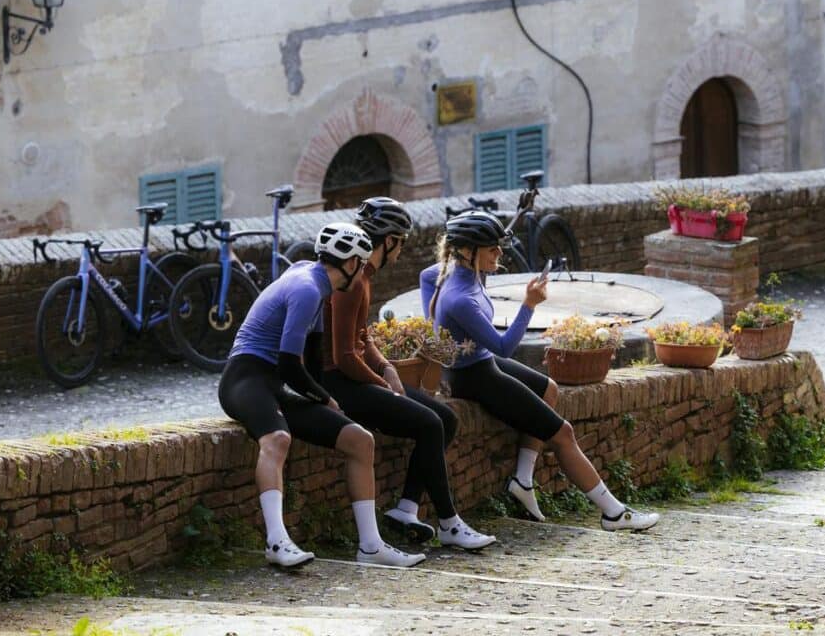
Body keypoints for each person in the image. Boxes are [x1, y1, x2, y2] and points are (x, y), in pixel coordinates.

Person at [421, 210, 659, 532]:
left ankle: (522, 479)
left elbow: (426, 277)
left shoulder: (458, 271)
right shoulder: (460, 298)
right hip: (473, 377)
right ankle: (613, 513)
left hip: (478, 363)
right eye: (493, 249)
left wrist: (439, 333)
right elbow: (503, 347)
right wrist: (529, 305)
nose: (500, 254)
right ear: (468, 251)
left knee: (549, 389)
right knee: (563, 433)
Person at [218, 222, 426, 568]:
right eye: (360, 266)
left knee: (360, 439)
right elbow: (288, 364)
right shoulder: (306, 289)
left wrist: (324, 403)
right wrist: (323, 397)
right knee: (278, 439)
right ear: (349, 265)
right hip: (246, 377)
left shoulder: (317, 283)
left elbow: (312, 358)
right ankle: (276, 542)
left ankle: (371, 547)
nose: (361, 274)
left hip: (276, 383)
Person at [321, 198, 495, 550]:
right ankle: (449, 523)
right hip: (337, 383)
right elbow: (342, 356)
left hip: (356, 376)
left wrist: (386, 366)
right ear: (388, 243)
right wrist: (383, 383)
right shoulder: (353, 282)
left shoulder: (363, 277)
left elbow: (362, 336)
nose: (401, 250)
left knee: (444, 418)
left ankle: (406, 508)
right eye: (400, 241)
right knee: (429, 424)